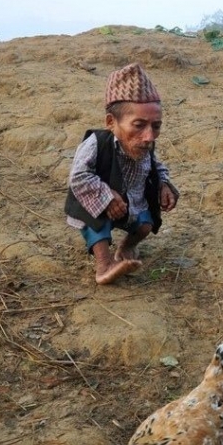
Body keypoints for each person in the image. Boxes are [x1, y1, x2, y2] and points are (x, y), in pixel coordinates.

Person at [65, 63, 179, 285]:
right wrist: (105, 196)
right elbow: (78, 176)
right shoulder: (96, 143)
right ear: (111, 122)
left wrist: (164, 184)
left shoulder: (146, 145)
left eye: (156, 126)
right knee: (99, 228)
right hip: (96, 203)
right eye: (138, 125)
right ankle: (104, 266)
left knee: (146, 224)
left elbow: (156, 166)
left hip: (131, 204)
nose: (148, 136)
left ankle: (126, 248)